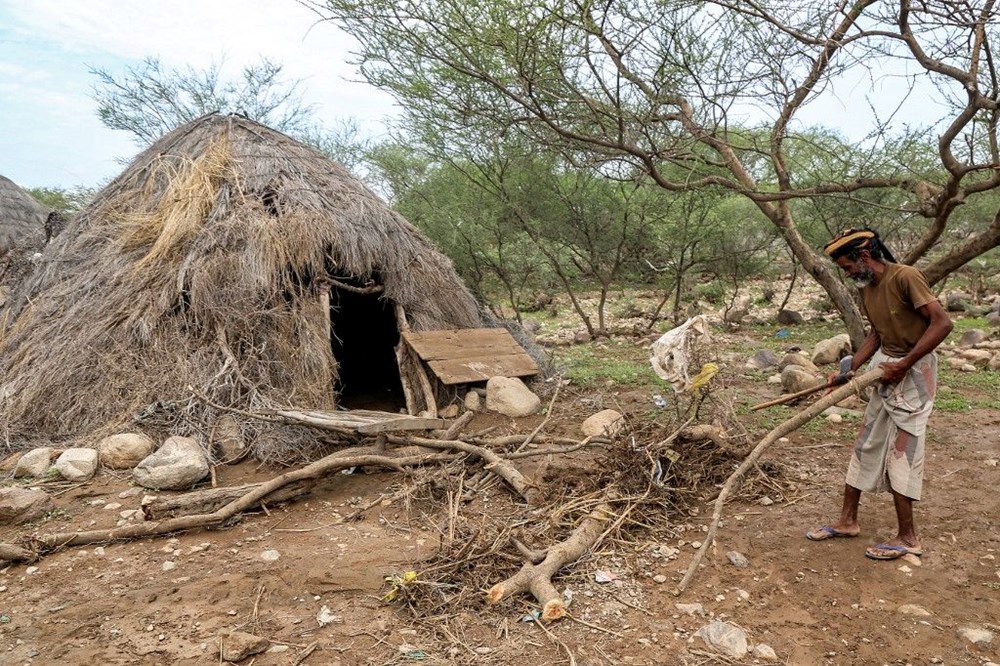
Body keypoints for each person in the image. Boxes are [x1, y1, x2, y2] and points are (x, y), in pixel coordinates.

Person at [806, 228, 953, 560]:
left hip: (915, 370)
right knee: (868, 440)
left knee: (903, 450)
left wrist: (905, 363)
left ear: (864, 257)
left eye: (846, 267)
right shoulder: (867, 287)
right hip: (886, 368)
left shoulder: (906, 277)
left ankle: (908, 538)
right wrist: (850, 369)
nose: (846, 275)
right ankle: (847, 521)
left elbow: (942, 324)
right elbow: (877, 332)